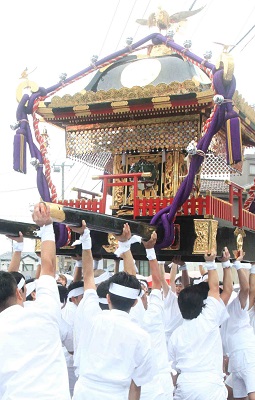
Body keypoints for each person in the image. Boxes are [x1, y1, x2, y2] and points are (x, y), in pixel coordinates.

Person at [71, 221, 155, 400]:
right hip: (117, 395)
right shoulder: (141, 333)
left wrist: (86, 238)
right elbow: (136, 386)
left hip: (84, 393)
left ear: (107, 298)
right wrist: (125, 245)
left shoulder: (92, 316)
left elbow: (88, 277)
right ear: (134, 304)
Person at [0, 202, 70, 399]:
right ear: (20, 293)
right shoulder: (44, 312)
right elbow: (48, 267)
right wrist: (46, 226)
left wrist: (18, 247)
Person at [168, 249, 228, 400]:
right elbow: (214, 288)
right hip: (211, 386)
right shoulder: (208, 319)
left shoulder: (176, 334)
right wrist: (210, 262)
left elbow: (173, 369)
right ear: (202, 305)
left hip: (185, 386)